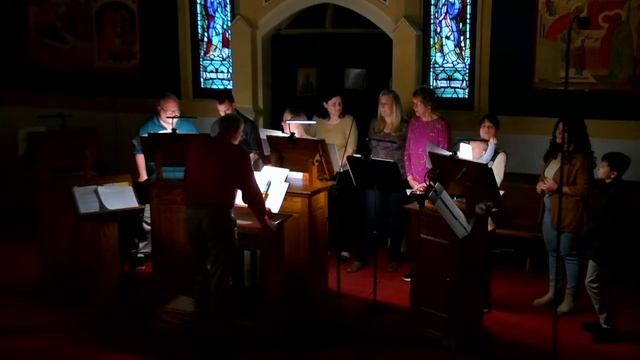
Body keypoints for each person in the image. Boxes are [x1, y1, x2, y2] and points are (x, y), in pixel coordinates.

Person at [184, 113, 274, 338]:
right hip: (216, 215)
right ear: (236, 132)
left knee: (198, 268)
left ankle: (200, 319)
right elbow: (251, 194)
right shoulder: (237, 153)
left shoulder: (198, 145)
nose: (242, 136)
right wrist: (264, 221)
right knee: (219, 271)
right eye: (241, 133)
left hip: (191, 213)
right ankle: (219, 327)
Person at [534, 115, 594, 315]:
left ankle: (570, 297)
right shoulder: (555, 154)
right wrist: (540, 185)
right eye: (558, 129)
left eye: (564, 130)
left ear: (574, 134)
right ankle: (553, 292)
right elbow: (545, 177)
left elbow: (584, 190)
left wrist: (558, 188)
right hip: (550, 209)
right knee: (552, 253)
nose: (559, 133)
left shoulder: (581, 159)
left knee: (569, 255)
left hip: (569, 211)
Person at [347, 89, 407, 273]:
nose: (381, 107)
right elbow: (369, 148)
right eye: (380, 104)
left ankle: (394, 256)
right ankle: (363, 256)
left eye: (385, 103)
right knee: (370, 216)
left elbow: (410, 152)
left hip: (397, 177)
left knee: (395, 218)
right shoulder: (374, 124)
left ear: (394, 105)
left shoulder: (405, 126)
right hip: (375, 176)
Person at [402, 86, 450, 282]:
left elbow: (444, 156)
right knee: (414, 228)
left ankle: (433, 269)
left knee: (432, 229)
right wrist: (411, 178)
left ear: (428, 104)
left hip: (432, 185)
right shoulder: (413, 122)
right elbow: (407, 152)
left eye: (417, 103)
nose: (413, 107)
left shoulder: (441, 125)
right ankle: (417, 267)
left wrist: (429, 183)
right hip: (414, 183)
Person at [582, 152, 631, 342]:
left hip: (605, 247)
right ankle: (604, 321)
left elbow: (604, 224)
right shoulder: (611, 189)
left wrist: (588, 239)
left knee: (592, 283)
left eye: (603, 166)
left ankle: (607, 325)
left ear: (614, 173)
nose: (598, 168)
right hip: (602, 245)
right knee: (599, 284)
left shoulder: (616, 194)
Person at [314, 90, 359, 263]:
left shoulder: (349, 121)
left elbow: (351, 149)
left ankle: (345, 248)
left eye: (340, 103)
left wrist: (337, 167)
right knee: (326, 211)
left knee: (344, 211)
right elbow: (310, 142)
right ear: (325, 105)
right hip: (323, 172)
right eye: (334, 104)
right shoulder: (318, 122)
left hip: (344, 172)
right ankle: (329, 245)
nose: (338, 107)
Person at [132, 93, 198, 182]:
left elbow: (198, 152)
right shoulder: (146, 128)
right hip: (157, 177)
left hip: (186, 177)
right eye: (170, 111)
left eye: (177, 110)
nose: (175, 114)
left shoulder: (190, 127)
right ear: (160, 109)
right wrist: (143, 177)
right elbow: (139, 152)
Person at [210, 91, 261, 166]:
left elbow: (256, 149)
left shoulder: (249, 125)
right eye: (220, 111)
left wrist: (247, 159)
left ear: (233, 105)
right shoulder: (215, 126)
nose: (224, 115)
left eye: (227, 110)